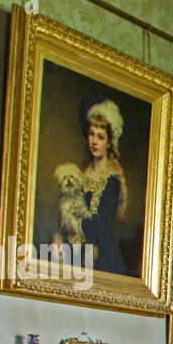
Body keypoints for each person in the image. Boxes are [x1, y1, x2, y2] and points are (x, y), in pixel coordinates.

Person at [68, 95, 128, 277]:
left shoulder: (112, 180)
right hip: (79, 252)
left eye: (100, 137)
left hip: (102, 258)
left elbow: (101, 225)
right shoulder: (83, 172)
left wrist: (75, 224)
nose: (94, 141)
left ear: (109, 142)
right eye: (91, 133)